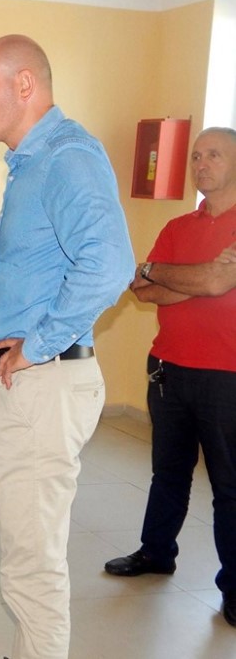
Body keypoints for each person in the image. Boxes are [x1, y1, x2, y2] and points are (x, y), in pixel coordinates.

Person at [0, 35, 134, 658]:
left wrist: (37, 345)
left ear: (25, 85)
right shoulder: (31, 162)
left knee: (31, 564)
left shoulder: (66, 157)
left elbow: (110, 264)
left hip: (44, 383)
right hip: (30, 383)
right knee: (24, 550)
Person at [104, 127, 236, 628]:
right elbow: (142, 288)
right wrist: (200, 277)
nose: (201, 164)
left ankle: (234, 587)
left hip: (228, 375)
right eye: (196, 156)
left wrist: (165, 271)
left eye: (214, 155)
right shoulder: (179, 226)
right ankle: (156, 552)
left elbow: (213, 281)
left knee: (229, 486)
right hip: (170, 368)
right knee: (169, 473)